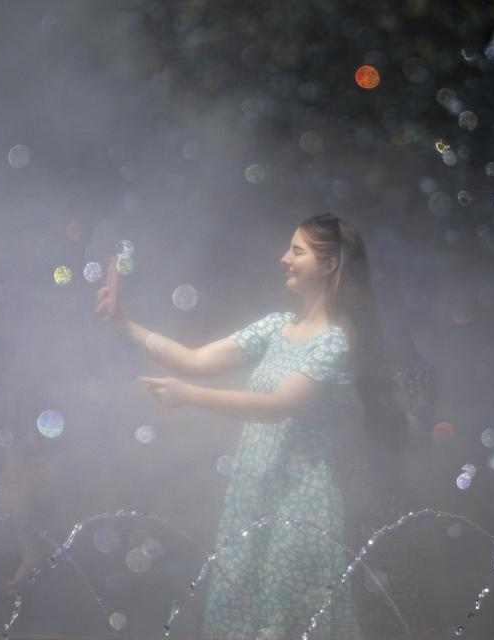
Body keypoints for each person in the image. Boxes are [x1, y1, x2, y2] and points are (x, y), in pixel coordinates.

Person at [95, 212, 411, 640]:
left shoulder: (337, 340)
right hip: (254, 493)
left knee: (286, 623)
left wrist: (190, 397)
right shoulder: (276, 327)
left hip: (302, 504)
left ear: (330, 265)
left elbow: (279, 406)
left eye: (297, 251)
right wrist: (124, 325)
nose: (284, 258)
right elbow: (195, 359)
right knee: (244, 619)